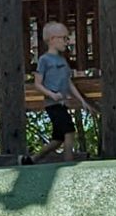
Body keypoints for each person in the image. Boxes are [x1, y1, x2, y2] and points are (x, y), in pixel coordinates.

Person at [26, 21, 98, 163]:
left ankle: (31, 160)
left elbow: (68, 83)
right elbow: (37, 84)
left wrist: (82, 101)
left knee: (57, 140)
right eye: (64, 38)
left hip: (62, 103)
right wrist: (52, 94)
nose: (67, 41)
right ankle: (68, 162)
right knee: (69, 131)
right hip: (52, 104)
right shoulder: (44, 60)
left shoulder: (63, 61)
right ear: (52, 39)